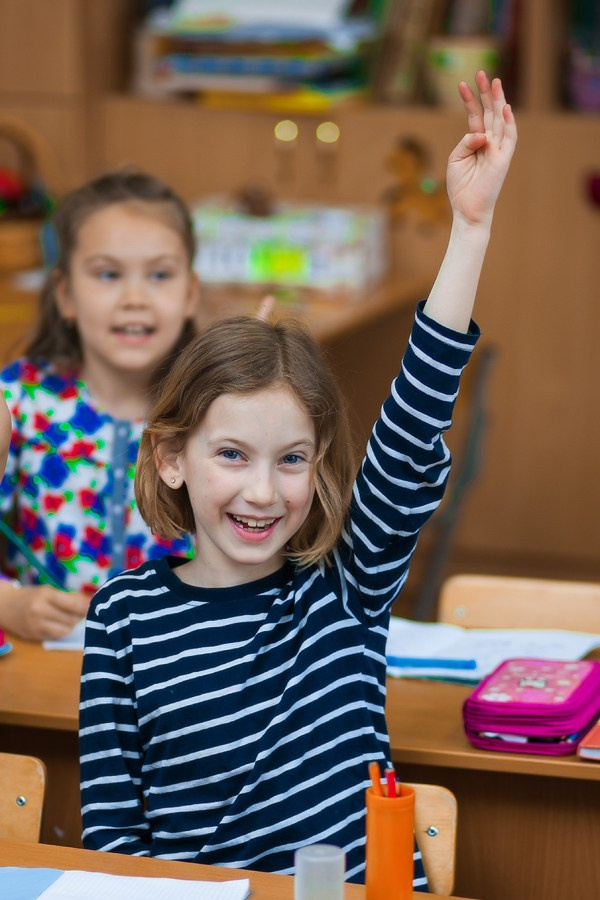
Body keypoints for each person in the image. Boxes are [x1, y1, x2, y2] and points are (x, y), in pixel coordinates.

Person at [79, 72, 517, 885]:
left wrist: (470, 229)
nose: (263, 492)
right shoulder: (122, 618)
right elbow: (113, 841)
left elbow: (412, 422)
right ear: (170, 457)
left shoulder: (343, 586)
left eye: (291, 459)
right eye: (231, 455)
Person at [0, 170, 200, 642]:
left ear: (190, 293)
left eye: (159, 275)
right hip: (47, 665)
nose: (134, 299)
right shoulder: (18, 400)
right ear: (65, 295)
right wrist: (9, 603)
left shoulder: (212, 407)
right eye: (108, 274)